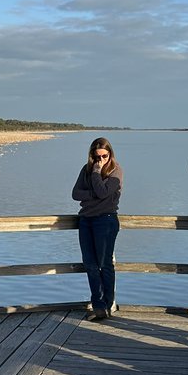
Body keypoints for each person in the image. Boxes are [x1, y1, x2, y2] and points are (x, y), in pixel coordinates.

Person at [71, 137, 123, 321]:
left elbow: (104, 193)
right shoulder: (85, 170)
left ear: (110, 154)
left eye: (105, 156)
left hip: (106, 221)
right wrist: (94, 194)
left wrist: (96, 173)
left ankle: (107, 306)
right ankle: (98, 306)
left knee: (105, 264)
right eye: (97, 156)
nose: (101, 160)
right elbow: (75, 194)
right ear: (92, 155)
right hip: (86, 221)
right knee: (91, 265)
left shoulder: (116, 171)